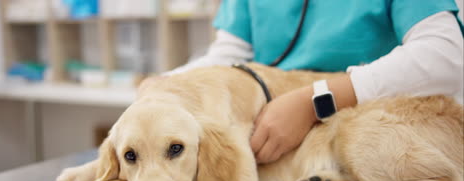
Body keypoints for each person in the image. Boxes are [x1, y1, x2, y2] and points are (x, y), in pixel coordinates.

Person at [165, 0, 464, 164]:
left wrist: (316, 101)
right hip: (281, 154)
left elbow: (446, 55)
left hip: (382, 141)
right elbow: (230, 56)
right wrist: (165, 84)